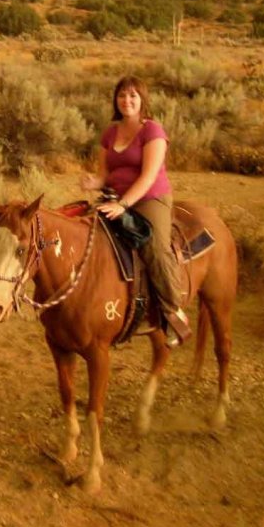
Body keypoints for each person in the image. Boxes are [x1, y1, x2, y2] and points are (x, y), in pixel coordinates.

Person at [82, 76, 190, 347]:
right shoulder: (110, 133)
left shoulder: (152, 131)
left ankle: (173, 312)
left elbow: (148, 177)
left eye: (133, 96)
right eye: (121, 95)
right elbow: (105, 174)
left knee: (153, 246)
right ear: (115, 100)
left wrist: (122, 205)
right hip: (115, 197)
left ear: (142, 100)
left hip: (150, 199)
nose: (126, 100)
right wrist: (93, 183)